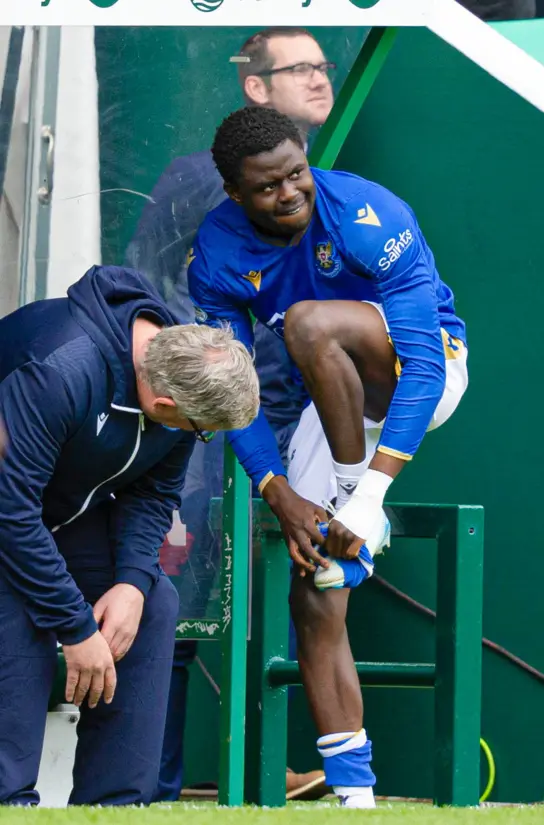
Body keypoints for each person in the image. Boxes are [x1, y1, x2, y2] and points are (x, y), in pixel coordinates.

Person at [187, 106, 469, 808]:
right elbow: (230, 386)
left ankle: (354, 498)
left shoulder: (370, 212)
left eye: (297, 174)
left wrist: (365, 495)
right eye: (267, 187)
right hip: (332, 401)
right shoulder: (217, 252)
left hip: (418, 372)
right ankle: (354, 793)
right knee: (316, 588)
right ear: (234, 192)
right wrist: (275, 486)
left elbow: (425, 369)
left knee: (312, 323)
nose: (289, 194)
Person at [125, 27, 335, 802]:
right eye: (300, 66)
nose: (320, 77)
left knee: (270, 577)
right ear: (254, 86)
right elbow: (159, 286)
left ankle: (261, 765)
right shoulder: (195, 178)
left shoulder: (329, 182)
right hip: (205, 424)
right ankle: (152, 775)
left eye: (324, 64)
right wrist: (206, 402)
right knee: (178, 587)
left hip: (282, 417)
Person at [0, 264, 259, 806]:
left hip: (45, 519)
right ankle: (10, 802)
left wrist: (132, 584)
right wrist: (76, 627)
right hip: (11, 516)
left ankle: (115, 808)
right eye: (200, 430)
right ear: (165, 408)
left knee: (154, 603)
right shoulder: (60, 370)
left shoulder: (177, 381)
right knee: (19, 602)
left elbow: (152, 495)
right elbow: (10, 512)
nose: (199, 437)